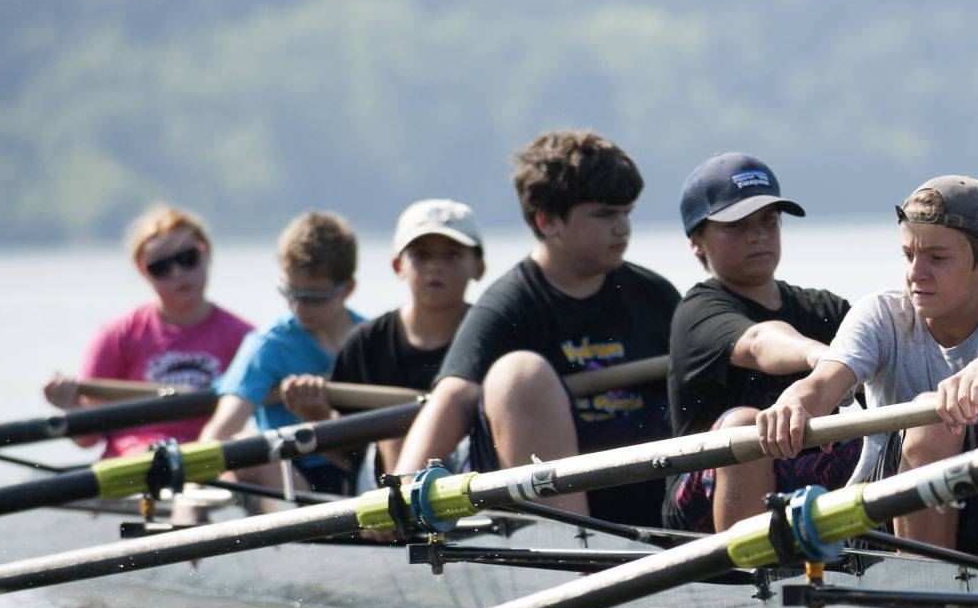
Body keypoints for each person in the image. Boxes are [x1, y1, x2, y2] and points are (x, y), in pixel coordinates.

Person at [758, 176, 978, 555]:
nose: (915, 274)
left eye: (937, 258)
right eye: (908, 255)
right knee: (931, 420)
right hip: (883, 522)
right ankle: (919, 588)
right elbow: (823, 385)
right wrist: (795, 402)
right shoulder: (882, 316)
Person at [394, 130, 679, 526]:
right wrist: (401, 494)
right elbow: (452, 397)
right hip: (558, 499)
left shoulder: (655, 296)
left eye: (626, 212)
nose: (623, 227)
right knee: (519, 376)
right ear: (548, 221)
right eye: (604, 215)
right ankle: (572, 554)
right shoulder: (510, 304)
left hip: (646, 490)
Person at [664, 153, 856, 533]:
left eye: (768, 220)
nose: (757, 235)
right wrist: (822, 356)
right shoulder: (698, 311)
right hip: (703, 500)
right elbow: (758, 341)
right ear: (697, 243)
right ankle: (750, 578)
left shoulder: (825, 308)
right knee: (746, 425)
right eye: (735, 224)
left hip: (808, 481)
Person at [282, 198, 487, 477]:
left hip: (475, 473)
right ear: (397, 266)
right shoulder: (366, 342)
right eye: (421, 254)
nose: (435, 267)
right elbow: (348, 456)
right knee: (395, 427)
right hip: (384, 484)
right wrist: (314, 416)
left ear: (479, 267)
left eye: (451, 254)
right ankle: (405, 511)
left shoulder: (492, 333)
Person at [43, 205, 254, 457]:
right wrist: (73, 408)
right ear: (144, 272)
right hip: (136, 464)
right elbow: (89, 437)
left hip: (209, 460)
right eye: (161, 267)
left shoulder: (245, 338)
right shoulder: (116, 336)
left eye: (187, 258)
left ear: (206, 253)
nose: (177, 273)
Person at [198, 210, 363, 496]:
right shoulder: (267, 346)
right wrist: (188, 500)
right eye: (290, 293)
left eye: (313, 298)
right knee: (240, 447)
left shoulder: (370, 338)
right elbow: (220, 433)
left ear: (347, 289)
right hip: (294, 480)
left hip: (363, 470)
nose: (298, 308)